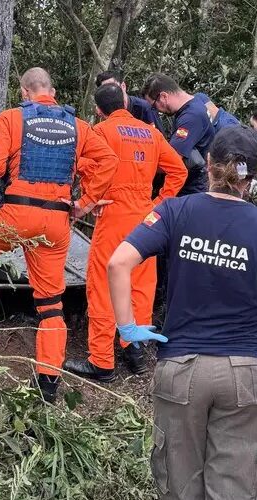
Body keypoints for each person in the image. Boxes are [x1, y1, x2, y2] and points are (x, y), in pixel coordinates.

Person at [107, 126, 257, 499]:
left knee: (180, 486)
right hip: (244, 374)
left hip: (181, 368)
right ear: (253, 179)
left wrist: (128, 326)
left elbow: (118, 263)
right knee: (236, 488)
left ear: (209, 164)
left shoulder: (174, 210)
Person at [0, 68, 119, 403]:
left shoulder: (12, 118)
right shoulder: (78, 126)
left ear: (24, 91)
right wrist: (84, 204)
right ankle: (48, 384)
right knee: (49, 303)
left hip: (16, 214)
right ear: (52, 90)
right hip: (57, 221)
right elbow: (109, 160)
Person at [62, 84, 187, 381]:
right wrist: (157, 205)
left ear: (98, 110)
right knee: (141, 287)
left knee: (104, 285)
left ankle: (102, 362)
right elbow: (179, 171)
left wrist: (90, 199)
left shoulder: (101, 132)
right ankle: (135, 350)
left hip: (114, 216)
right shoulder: (151, 133)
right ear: (127, 102)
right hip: (145, 220)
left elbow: (84, 166)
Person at [143, 73, 215, 196]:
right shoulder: (194, 103)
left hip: (192, 189)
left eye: (154, 106)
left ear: (164, 96)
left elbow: (171, 159)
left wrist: (140, 166)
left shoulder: (191, 117)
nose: (156, 111)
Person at [95, 71, 163, 130]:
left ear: (123, 86)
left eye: (112, 87)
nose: (110, 92)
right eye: (106, 90)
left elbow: (159, 136)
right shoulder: (103, 110)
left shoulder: (143, 107)